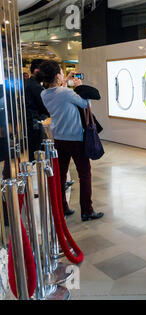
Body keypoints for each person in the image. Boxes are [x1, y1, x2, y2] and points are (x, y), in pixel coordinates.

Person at [39, 60, 103, 222]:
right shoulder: (66, 93)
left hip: (58, 139)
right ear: (57, 75)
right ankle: (87, 210)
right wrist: (80, 86)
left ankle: (63, 207)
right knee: (85, 175)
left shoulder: (44, 94)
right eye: (61, 72)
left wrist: (65, 80)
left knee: (60, 175)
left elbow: (61, 95)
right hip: (76, 138)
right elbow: (84, 104)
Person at [25, 59, 50, 161]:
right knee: (36, 153)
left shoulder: (27, 83)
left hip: (30, 122)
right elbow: (45, 106)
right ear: (36, 71)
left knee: (36, 150)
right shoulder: (35, 86)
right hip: (34, 123)